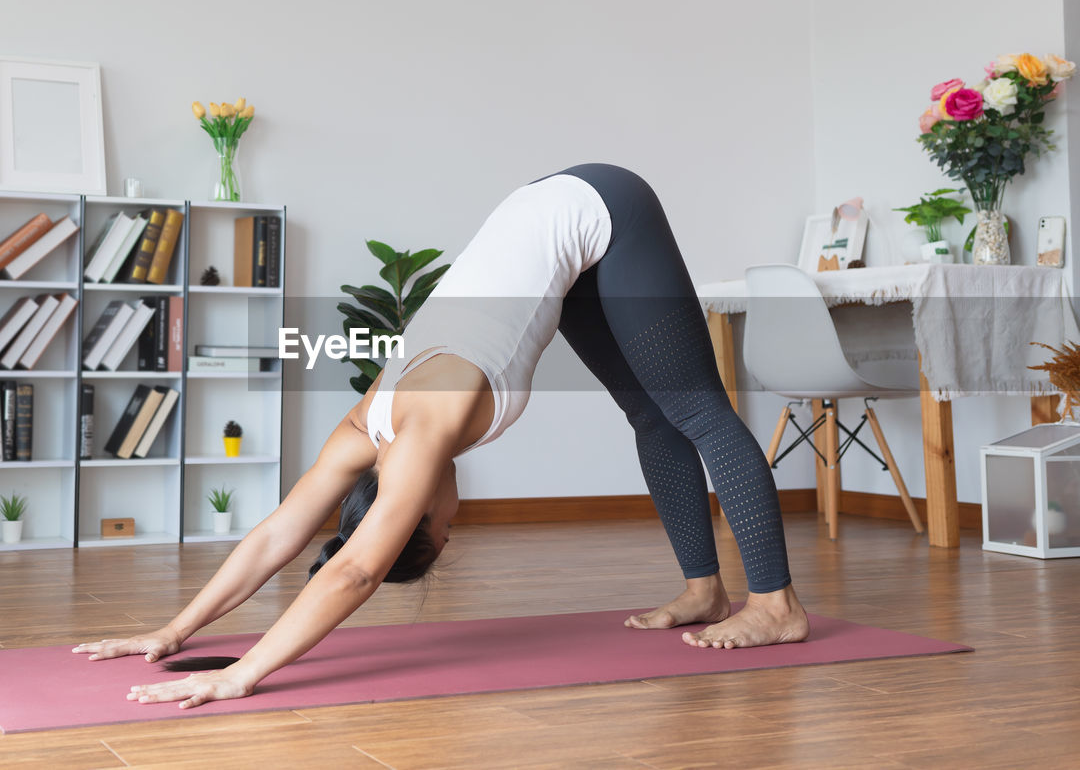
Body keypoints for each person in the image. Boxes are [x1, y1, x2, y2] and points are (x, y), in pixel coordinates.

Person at [72, 164, 809, 709]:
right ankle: (704, 591)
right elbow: (277, 535)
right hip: (546, 219)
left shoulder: (418, 431)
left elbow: (355, 569)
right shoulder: (365, 426)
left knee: (699, 409)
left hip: (602, 203)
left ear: (413, 505)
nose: (456, 518)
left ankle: (776, 605)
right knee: (652, 414)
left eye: (444, 529)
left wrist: (242, 672)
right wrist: (174, 629)